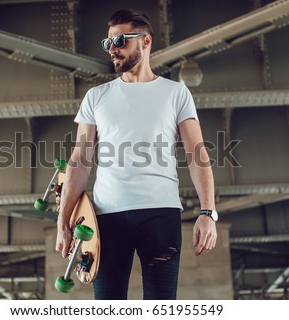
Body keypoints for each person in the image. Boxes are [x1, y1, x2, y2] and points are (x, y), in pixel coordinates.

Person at [56, 8, 217, 300]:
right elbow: (79, 161)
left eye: (120, 41)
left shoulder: (176, 94)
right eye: (108, 43)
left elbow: (197, 153)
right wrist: (63, 221)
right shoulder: (96, 97)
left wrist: (208, 212)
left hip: (161, 215)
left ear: (145, 41)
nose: (113, 49)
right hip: (106, 219)